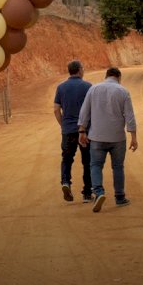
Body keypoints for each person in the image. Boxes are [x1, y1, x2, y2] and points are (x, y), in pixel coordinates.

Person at [78, 67, 137, 212]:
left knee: (96, 165)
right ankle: (120, 197)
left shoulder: (93, 89)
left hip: (96, 136)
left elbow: (84, 111)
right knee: (118, 167)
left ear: (106, 76)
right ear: (119, 77)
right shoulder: (123, 91)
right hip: (117, 137)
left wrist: (82, 131)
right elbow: (130, 116)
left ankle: (98, 192)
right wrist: (133, 137)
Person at [53, 60, 92, 203]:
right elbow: (92, 108)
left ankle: (65, 182)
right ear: (79, 70)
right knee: (87, 161)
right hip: (85, 130)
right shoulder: (88, 87)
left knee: (67, 159)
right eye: (83, 68)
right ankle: (87, 193)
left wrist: (63, 124)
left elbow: (56, 109)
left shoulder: (61, 87)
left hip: (68, 130)